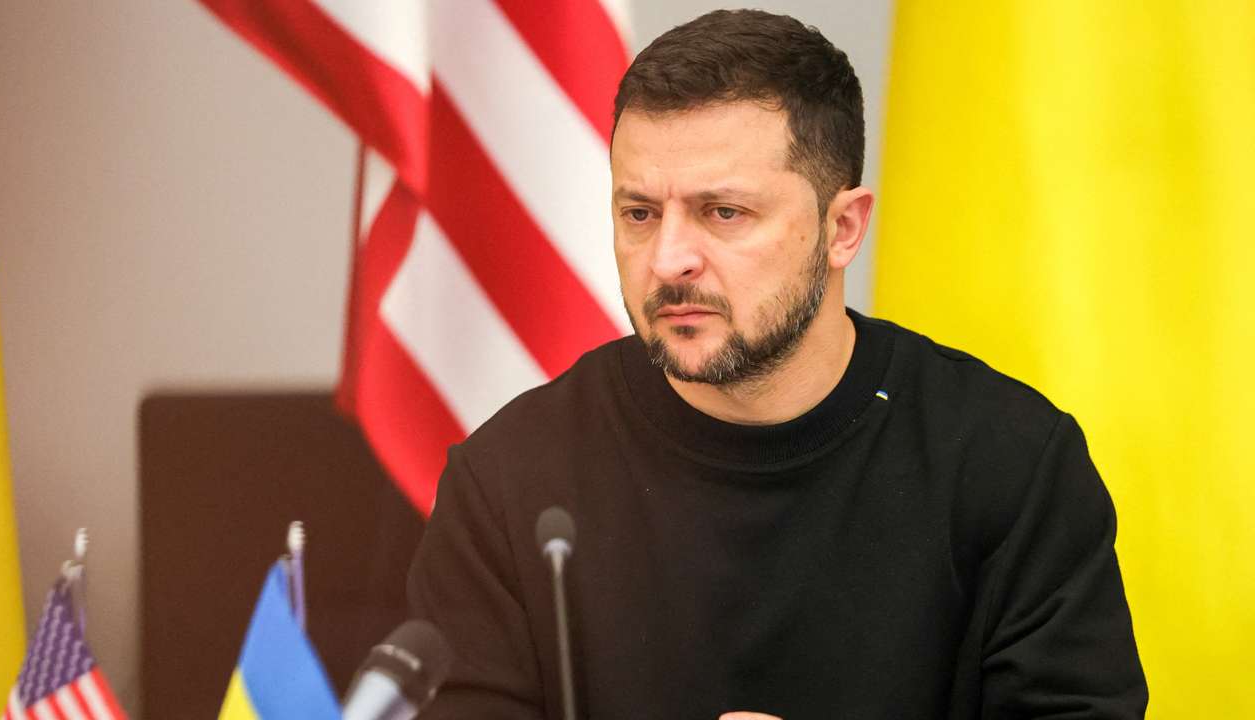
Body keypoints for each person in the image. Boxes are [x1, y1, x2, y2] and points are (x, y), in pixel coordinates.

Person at [405, 9, 1147, 719]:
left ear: (843, 227)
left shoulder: (1009, 463)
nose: (669, 260)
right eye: (639, 214)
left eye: (724, 213)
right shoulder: (511, 480)